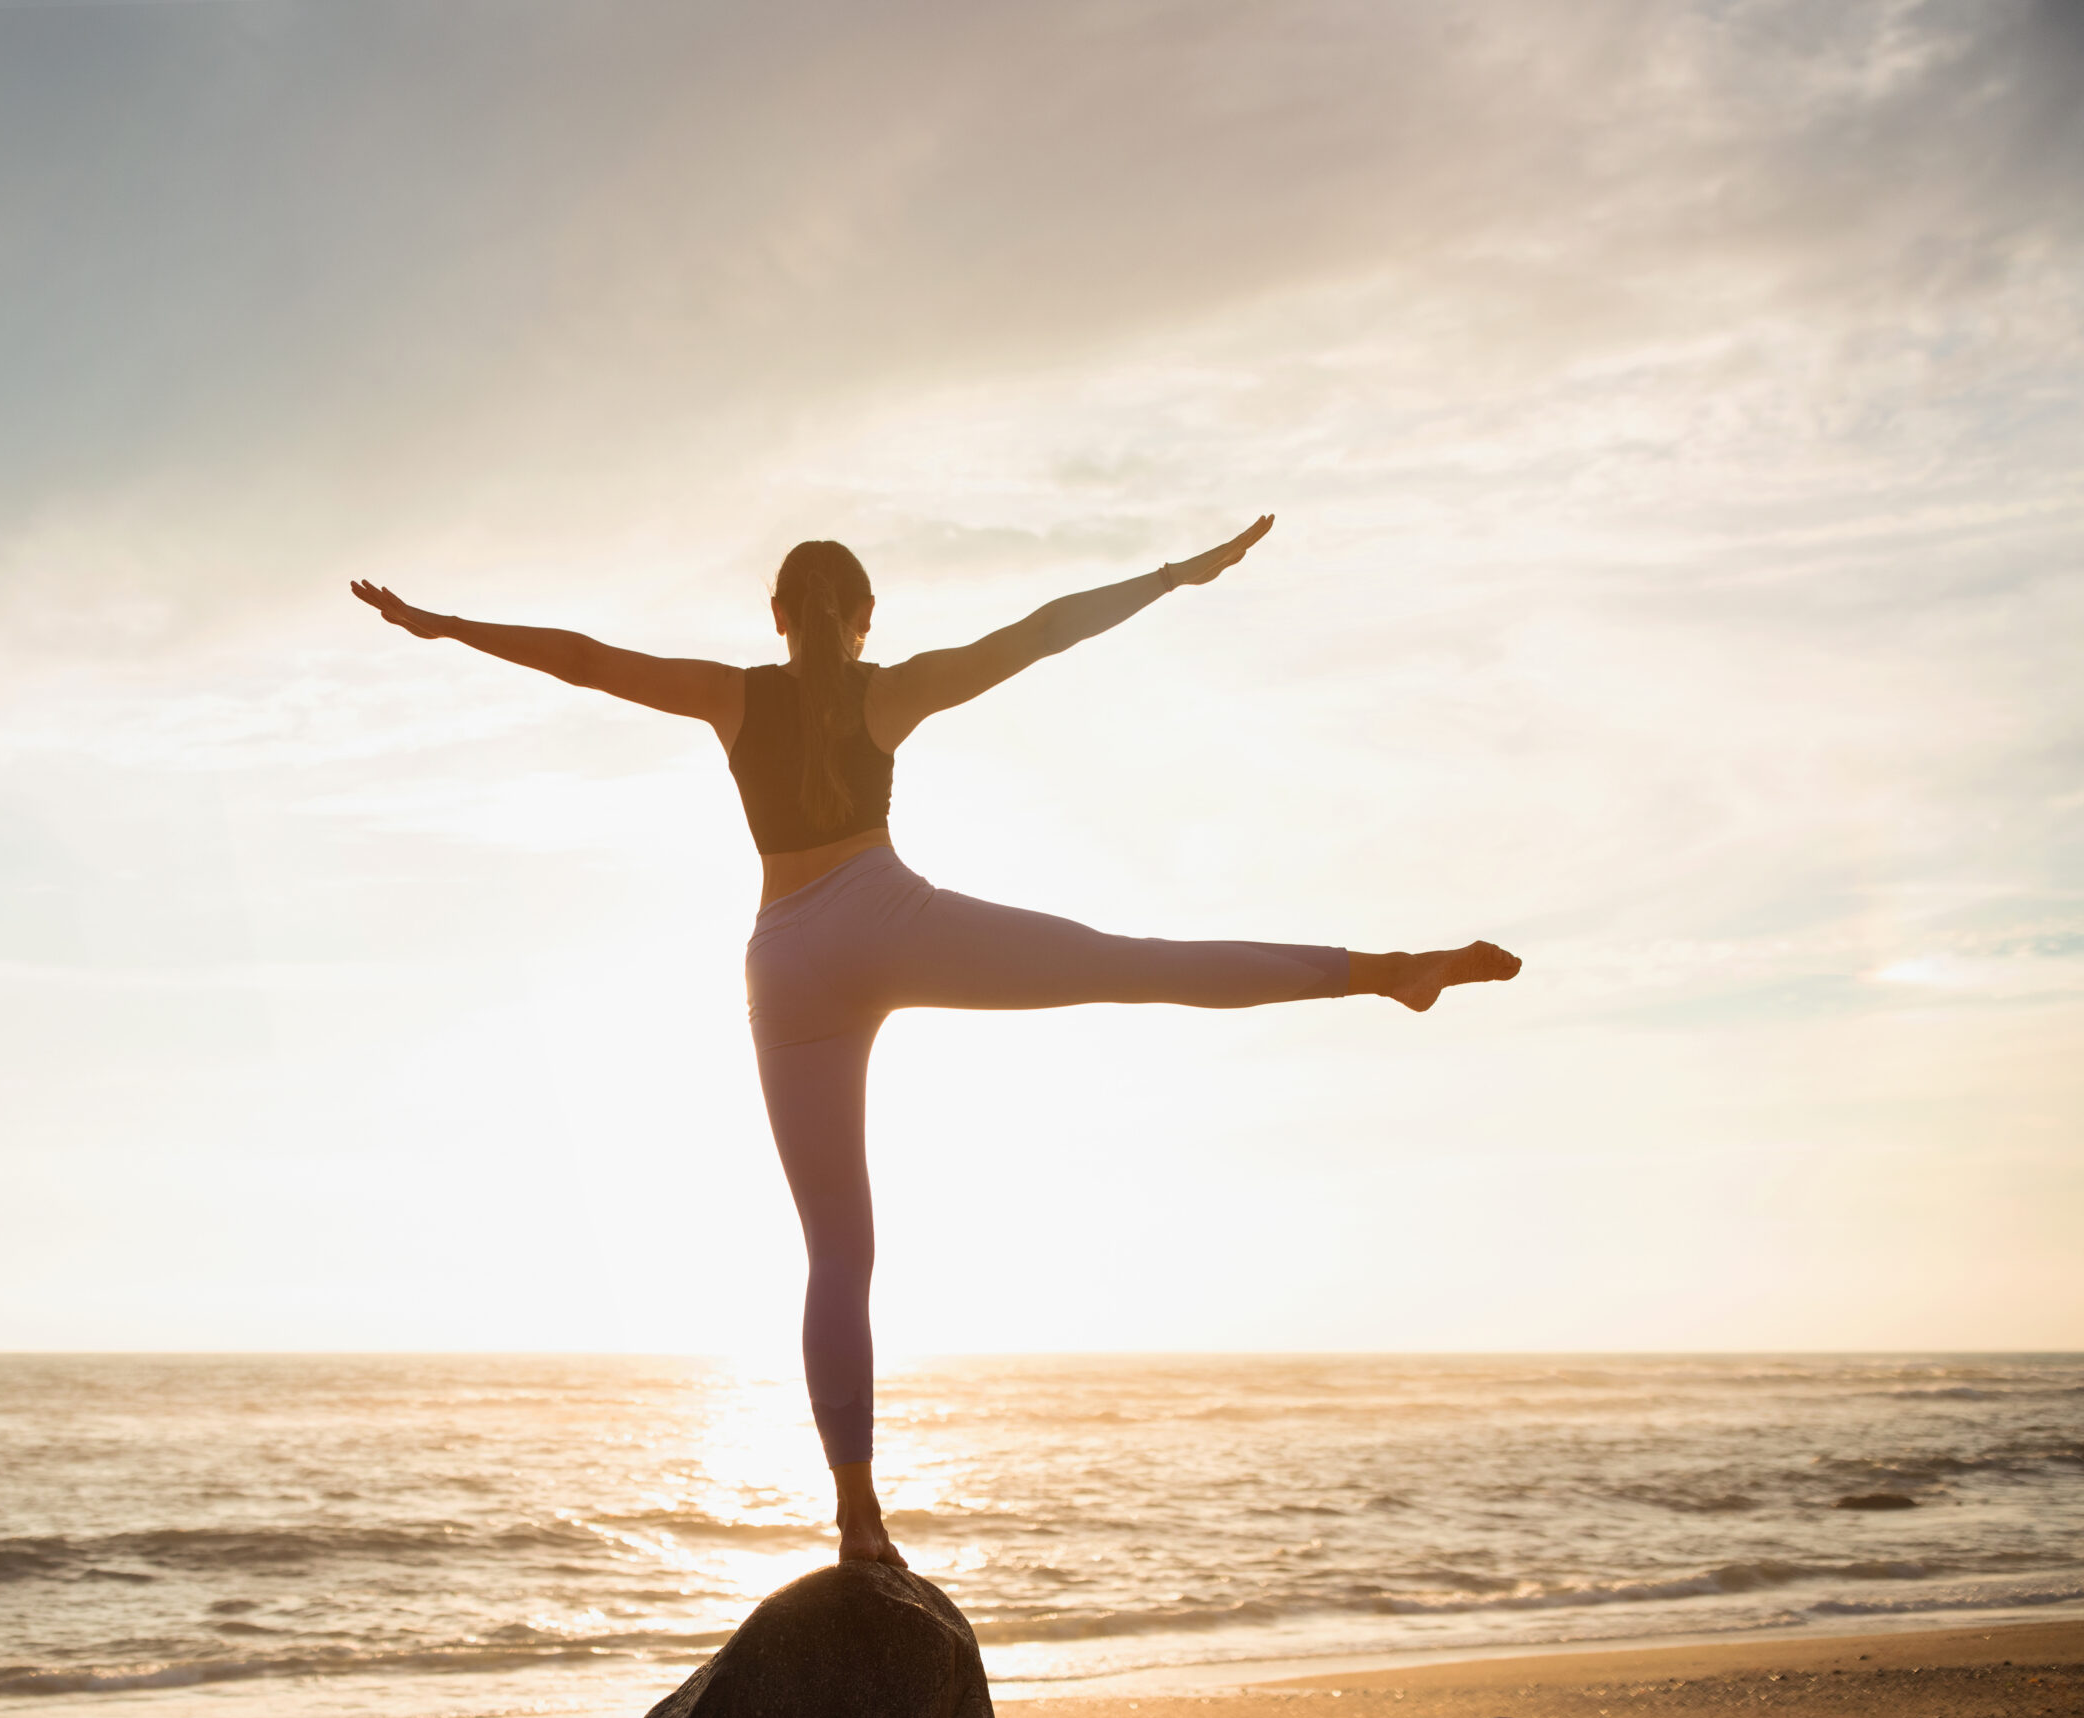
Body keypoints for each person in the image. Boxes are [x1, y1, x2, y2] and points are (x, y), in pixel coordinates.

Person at [350, 515, 1519, 1567]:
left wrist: (439, 625)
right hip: (885, 917)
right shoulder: (885, 691)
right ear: (863, 621)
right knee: (1137, 963)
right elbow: (1044, 632)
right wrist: (1177, 575)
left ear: (775, 617)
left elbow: (583, 658)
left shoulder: (731, 694)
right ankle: (1384, 974)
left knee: (837, 1254)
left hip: (785, 962)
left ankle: (856, 1512)